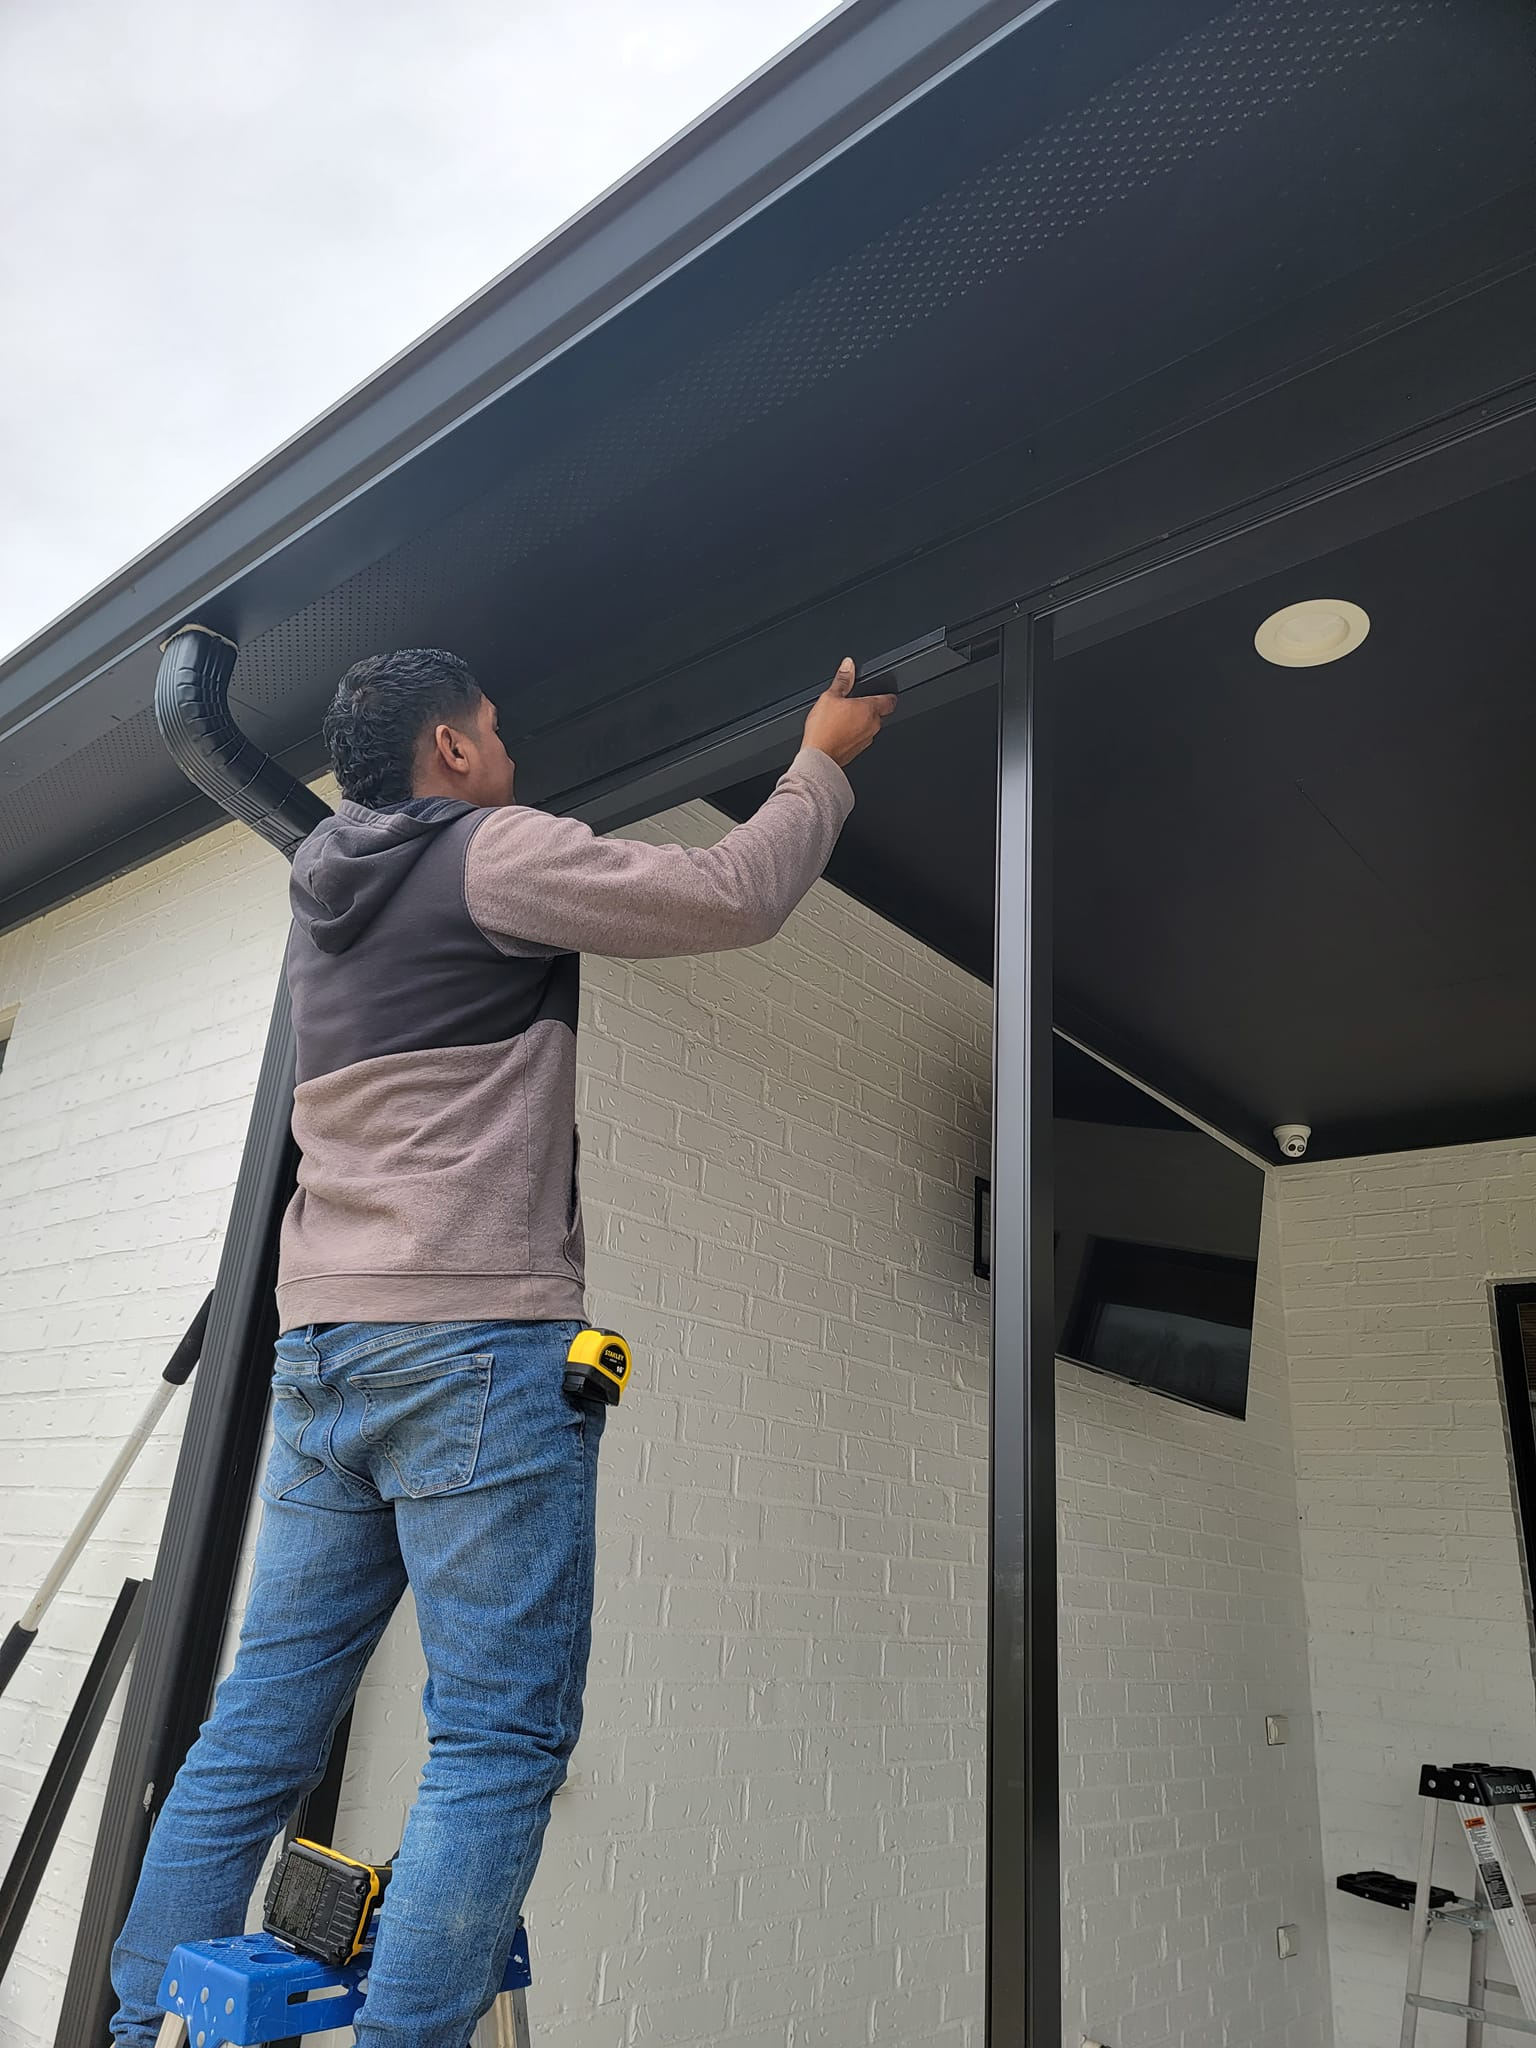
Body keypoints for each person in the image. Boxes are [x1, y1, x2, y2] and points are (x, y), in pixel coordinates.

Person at [109, 647, 894, 2046]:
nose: (509, 753)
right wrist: (822, 756)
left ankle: (130, 2027)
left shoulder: (319, 892)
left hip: (325, 1360)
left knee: (254, 1734)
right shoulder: (488, 852)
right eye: (495, 732)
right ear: (453, 752)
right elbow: (734, 895)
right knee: (495, 1742)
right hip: (470, 1350)